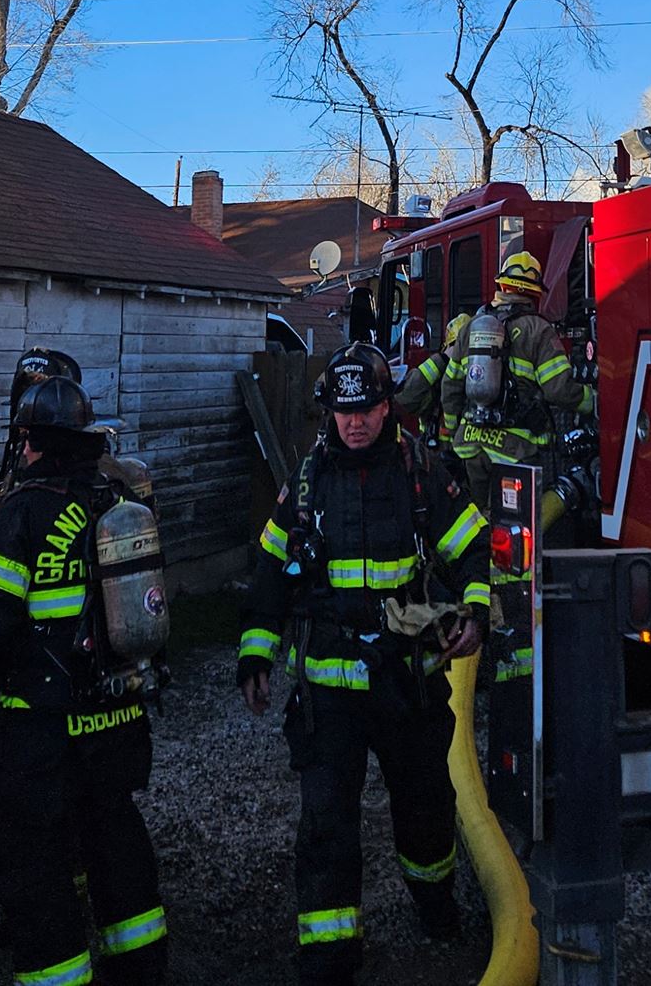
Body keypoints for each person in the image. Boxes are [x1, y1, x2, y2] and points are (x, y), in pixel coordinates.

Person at [239, 342, 493, 983]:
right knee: (326, 825)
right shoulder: (305, 481)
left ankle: (435, 903)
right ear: (329, 411)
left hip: (406, 682)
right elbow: (270, 571)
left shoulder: (420, 473)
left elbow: (469, 544)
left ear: (388, 408)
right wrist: (254, 652)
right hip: (328, 690)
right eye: (344, 411)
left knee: (426, 805)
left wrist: (477, 609)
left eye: (369, 409)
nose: (355, 423)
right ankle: (329, 958)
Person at [0, 378, 171, 986]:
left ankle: (57, 974)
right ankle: (141, 966)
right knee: (115, 837)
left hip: (40, 723)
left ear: (29, 443)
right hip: (115, 713)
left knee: (35, 858)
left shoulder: (23, 512)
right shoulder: (113, 499)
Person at [393, 249, 591, 513]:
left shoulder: (471, 327)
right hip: (516, 451)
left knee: (475, 517)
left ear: (502, 285)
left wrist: (453, 434)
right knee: (516, 525)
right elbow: (559, 390)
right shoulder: (538, 330)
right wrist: (594, 402)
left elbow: (450, 387)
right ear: (534, 291)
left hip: (470, 446)